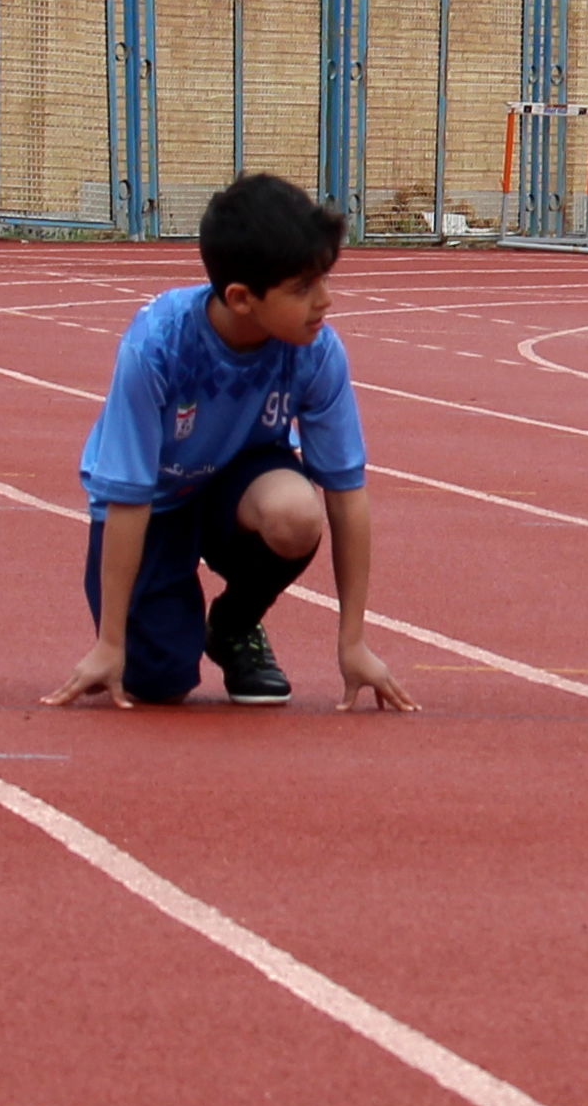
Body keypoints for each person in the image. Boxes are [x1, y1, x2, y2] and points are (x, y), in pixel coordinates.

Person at [47, 173, 415, 713]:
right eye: (303, 287)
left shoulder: (316, 351)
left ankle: (233, 626)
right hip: (155, 504)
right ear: (242, 298)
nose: (325, 301)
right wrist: (109, 644)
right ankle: (163, 623)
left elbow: (345, 490)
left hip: (238, 485)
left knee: (296, 513)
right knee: (158, 683)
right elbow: (126, 493)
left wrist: (352, 641)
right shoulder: (157, 347)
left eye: (325, 279)